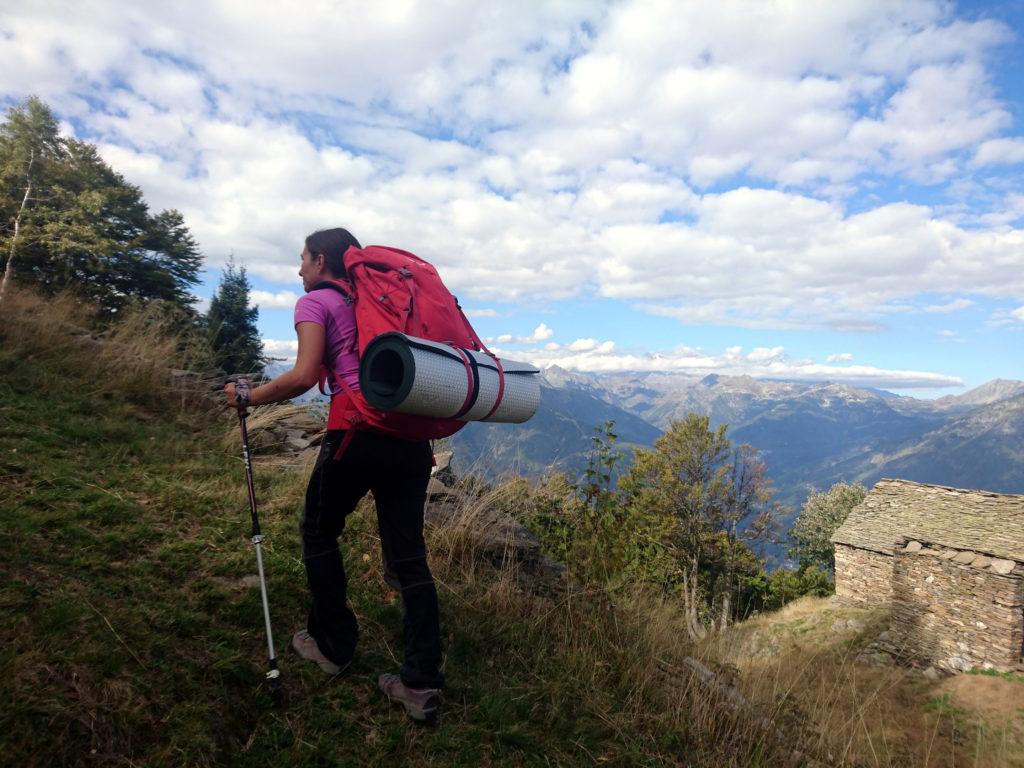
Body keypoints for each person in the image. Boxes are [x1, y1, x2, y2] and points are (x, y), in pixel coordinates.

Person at [224, 228, 444, 723]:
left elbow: (303, 376)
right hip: (410, 438)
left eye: (302, 259)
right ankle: (421, 682)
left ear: (321, 261)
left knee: (320, 530)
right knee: (409, 559)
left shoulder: (316, 304)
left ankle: (332, 645)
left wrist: (248, 397)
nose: (298, 269)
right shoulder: (379, 302)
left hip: (357, 432)